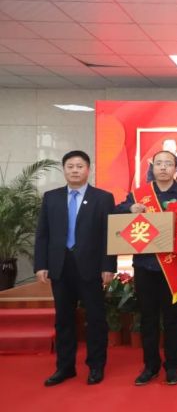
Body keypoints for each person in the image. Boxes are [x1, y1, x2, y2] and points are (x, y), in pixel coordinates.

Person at [116, 150, 177, 386]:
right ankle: (150, 366)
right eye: (159, 163)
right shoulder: (138, 195)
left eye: (168, 164)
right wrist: (130, 209)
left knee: (173, 319)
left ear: (176, 168)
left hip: (173, 267)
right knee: (148, 319)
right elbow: (116, 212)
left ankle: (172, 366)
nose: (163, 168)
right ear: (152, 168)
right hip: (145, 265)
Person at [34, 150, 117, 386]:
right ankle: (65, 367)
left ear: (88, 170)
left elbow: (109, 234)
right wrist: (41, 264)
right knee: (63, 320)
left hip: (91, 267)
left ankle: (96, 366)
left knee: (95, 319)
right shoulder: (51, 197)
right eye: (70, 166)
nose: (75, 170)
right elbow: (43, 234)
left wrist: (108, 265)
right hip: (60, 267)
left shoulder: (103, 198)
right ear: (64, 170)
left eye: (79, 166)